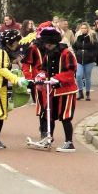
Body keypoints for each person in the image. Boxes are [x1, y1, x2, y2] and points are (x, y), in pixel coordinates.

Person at [21, 24, 79, 152]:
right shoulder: (49, 54)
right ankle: (48, 138)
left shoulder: (66, 53)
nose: (45, 46)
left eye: (47, 43)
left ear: (52, 42)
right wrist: (41, 76)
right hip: (52, 90)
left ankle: (69, 142)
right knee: (49, 115)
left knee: (65, 117)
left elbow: (70, 71)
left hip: (66, 90)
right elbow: (44, 69)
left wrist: (57, 78)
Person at [0, 29, 28, 149]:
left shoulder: (5, 52)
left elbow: (6, 65)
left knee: (2, 113)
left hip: (1, 86)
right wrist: (16, 80)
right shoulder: (1, 52)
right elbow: (2, 69)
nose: (18, 44)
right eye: (17, 42)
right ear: (11, 42)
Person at [72, 22, 97, 101]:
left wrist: (91, 55)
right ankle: (80, 92)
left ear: (88, 29)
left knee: (87, 77)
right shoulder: (78, 37)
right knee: (78, 75)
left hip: (89, 60)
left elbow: (96, 48)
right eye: (82, 28)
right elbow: (74, 46)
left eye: (85, 28)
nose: (83, 29)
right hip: (79, 60)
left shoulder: (92, 37)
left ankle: (88, 93)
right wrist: (76, 53)